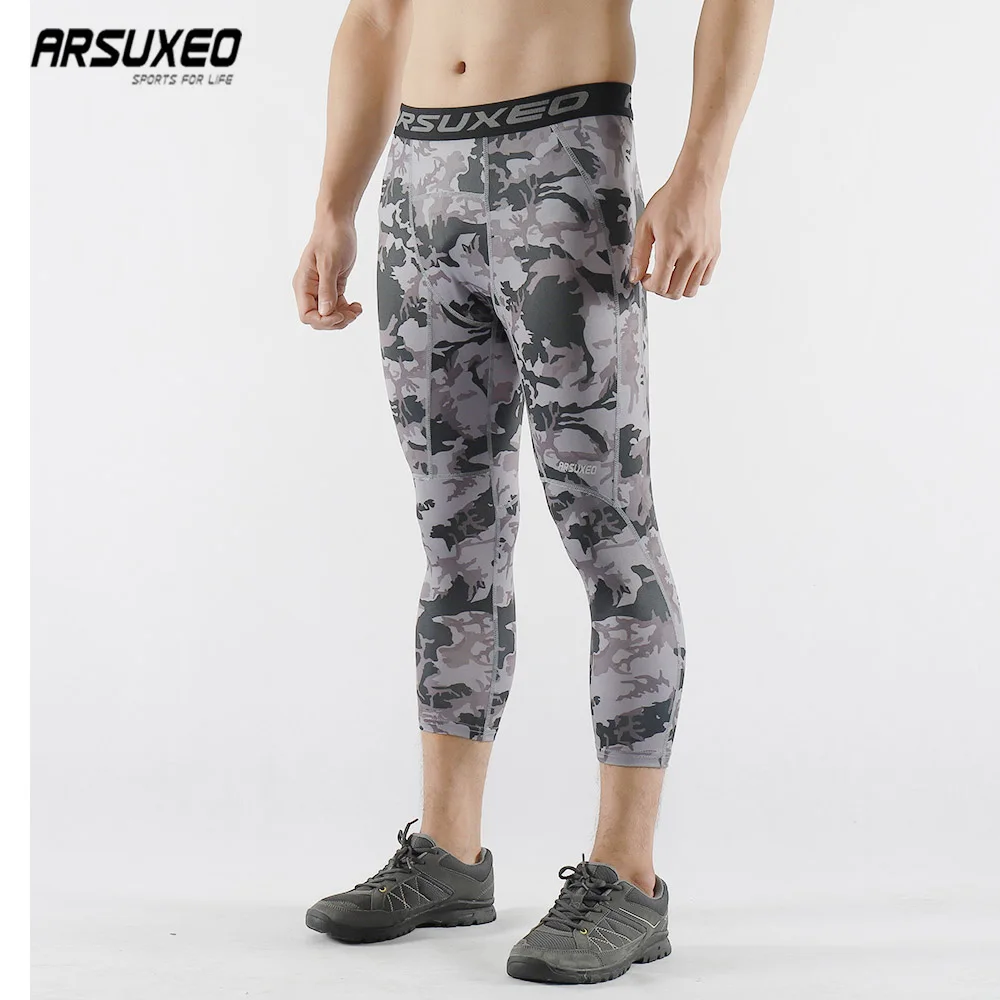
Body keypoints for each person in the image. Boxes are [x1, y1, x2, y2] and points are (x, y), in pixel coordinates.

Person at [292, 0, 772, 984]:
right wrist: (333, 207)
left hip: (564, 163)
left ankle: (626, 876)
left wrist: (703, 170)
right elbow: (377, 18)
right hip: (416, 185)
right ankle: (448, 852)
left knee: (608, 527)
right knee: (453, 533)